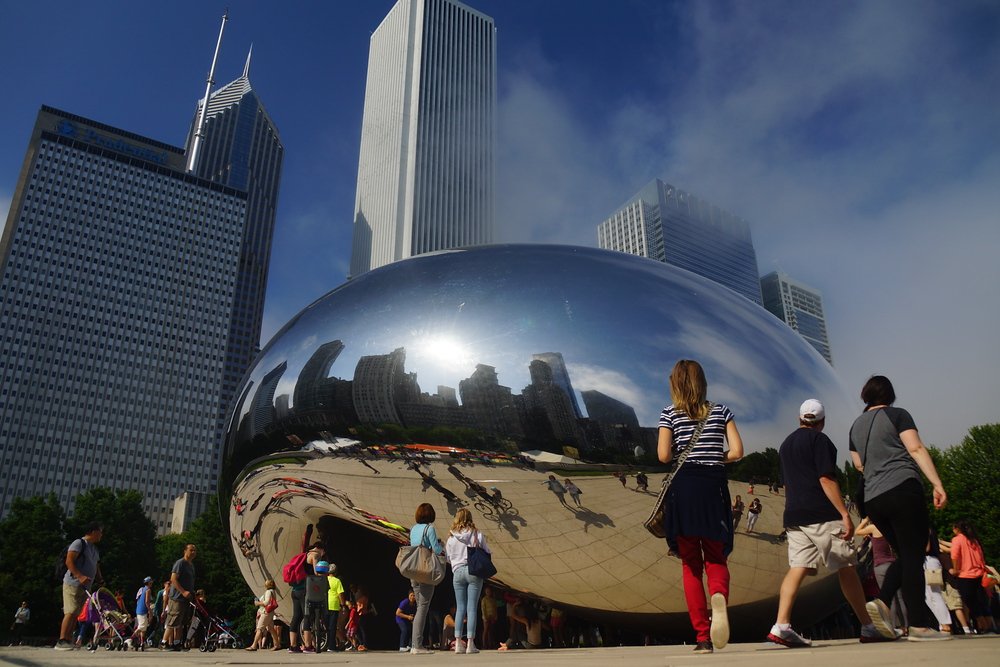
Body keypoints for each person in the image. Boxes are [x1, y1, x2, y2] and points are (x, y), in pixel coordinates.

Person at [767, 399, 898, 647]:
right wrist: (845, 514)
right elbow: (826, 479)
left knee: (798, 567)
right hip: (822, 515)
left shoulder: (785, 445)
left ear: (799, 419)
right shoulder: (820, 441)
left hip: (794, 516)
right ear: (822, 422)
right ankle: (869, 627)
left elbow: (786, 484)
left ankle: (781, 625)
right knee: (846, 567)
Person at [849, 375, 950, 641]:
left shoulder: (855, 427)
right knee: (914, 556)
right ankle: (918, 626)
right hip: (902, 489)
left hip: (874, 499)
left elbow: (859, 464)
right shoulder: (897, 415)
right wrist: (936, 483)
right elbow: (915, 448)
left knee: (906, 556)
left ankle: (881, 602)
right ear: (889, 395)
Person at [657, 359, 743, 654]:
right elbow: (738, 451)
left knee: (690, 564)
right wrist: (719, 457)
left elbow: (664, 456)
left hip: (685, 488)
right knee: (716, 557)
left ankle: (702, 636)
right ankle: (718, 595)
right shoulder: (721, 411)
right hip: (713, 487)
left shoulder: (669, 413)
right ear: (702, 382)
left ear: (675, 384)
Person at [446, 508, 492, 654]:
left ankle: (458, 643)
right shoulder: (477, 534)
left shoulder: (451, 538)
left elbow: (448, 557)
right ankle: (471, 643)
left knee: (461, 608)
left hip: (457, 573)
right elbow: (488, 551)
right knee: (472, 608)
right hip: (474, 572)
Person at [55, 522, 103, 651]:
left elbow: (96, 565)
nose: (101, 535)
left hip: (86, 586)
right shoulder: (79, 543)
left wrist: (99, 578)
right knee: (70, 611)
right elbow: (69, 560)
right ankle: (62, 640)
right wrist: (79, 576)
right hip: (73, 583)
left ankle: (68, 639)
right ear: (93, 532)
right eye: (100, 532)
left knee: (76, 612)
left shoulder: (94, 548)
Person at [408, 502, 442, 654]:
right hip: (425, 570)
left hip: (413, 570)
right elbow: (436, 549)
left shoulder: (413, 529)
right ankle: (417, 645)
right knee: (423, 607)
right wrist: (442, 546)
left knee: (419, 607)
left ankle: (415, 643)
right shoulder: (430, 529)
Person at [949, 519, 992, 634]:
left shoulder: (957, 539)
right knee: (980, 600)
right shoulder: (974, 540)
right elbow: (981, 557)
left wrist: (955, 569)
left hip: (965, 575)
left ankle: (981, 623)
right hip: (978, 573)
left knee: (970, 601)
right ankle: (988, 624)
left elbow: (955, 555)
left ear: (957, 529)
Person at [288, 541, 325, 653]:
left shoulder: (305, 555)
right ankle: (308, 645)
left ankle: (293, 646)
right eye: (324, 551)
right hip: (305, 590)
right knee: (307, 616)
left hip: (295, 590)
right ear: (320, 548)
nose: (323, 553)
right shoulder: (315, 555)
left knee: (296, 617)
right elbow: (317, 572)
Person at [164, 543, 197, 651]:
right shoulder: (180, 563)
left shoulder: (191, 565)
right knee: (174, 619)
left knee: (181, 622)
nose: (193, 552)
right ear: (185, 551)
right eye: (191, 550)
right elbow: (173, 579)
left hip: (186, 598)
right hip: (177, 597)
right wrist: (183, 592)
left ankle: (177, 643)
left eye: (194, 550)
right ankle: (164, 642)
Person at [301, 560, 330, 653]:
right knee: (324, 617)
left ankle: (307, 644)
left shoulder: (309, 579)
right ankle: (322, 626)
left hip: (310, 603)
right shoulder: (325, 581)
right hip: (321, 603)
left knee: (307, 620)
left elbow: (305, 590)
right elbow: (327, 590)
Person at [247, 579, 280, 651]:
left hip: (266, 613)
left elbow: (266, 603)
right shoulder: (273, 591)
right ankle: (277, 645)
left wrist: (257, 603)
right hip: (270, 612)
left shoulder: (268, 592)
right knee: (271, 629)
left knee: (259, 628)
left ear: (268, 584)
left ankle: (254, 645)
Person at [326, 564, 347, 651]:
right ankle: (331, 646)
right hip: (334, 605)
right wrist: (343, 605)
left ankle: (324, 644)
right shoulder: (337, 581)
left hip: (324, 604)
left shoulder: (324, 579)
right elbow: (340, 594)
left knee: (325, 626)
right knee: (332, 626)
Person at [133, 577, 153, 651]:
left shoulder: (141, 589)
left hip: (138, 609)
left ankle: (141, 642)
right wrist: (150, 611)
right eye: (151, 582)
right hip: (142, 610)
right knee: (142, 627)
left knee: (143, 628)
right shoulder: (148, 590)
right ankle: (130, 639)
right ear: (149, 582)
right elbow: (147, 601)